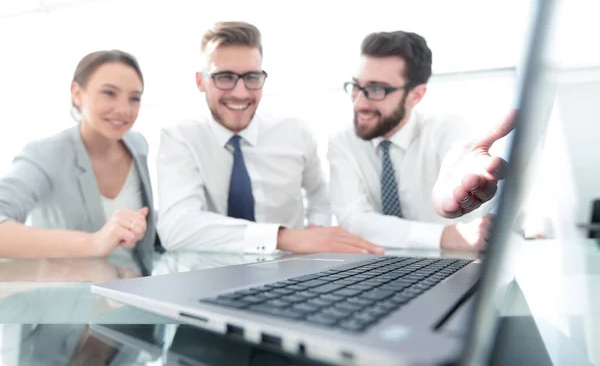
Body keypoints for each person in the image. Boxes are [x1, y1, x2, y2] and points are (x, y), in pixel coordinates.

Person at [156, 21, 383, 255]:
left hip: (292, 271)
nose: (240, 92)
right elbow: (176, 227)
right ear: (200, 81)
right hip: (209, 275)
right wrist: (283, 238)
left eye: (252, 78)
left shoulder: (295, 131)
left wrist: (317, 227)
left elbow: (319, 193)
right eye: (224, 77)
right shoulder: (180, 138)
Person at [328, 31, 512, 251]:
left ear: (416, 95)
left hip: (449, 263)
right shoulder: (343, 142)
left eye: (376, 89)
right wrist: (446, 236)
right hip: (377, 268)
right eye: (356, 86)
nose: (358, 103)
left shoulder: (444, 128)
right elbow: (353, 220)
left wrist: (467, 174)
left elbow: (460, 155)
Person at [0, 50, 156, 258]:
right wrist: (93, 243)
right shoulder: (44, 155)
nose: (123, 109)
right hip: (68, 288)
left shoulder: (138, 145)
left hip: (132, 284)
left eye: (134, 98)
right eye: (109, 93)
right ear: (77, 93)